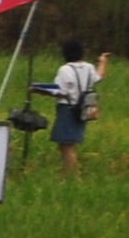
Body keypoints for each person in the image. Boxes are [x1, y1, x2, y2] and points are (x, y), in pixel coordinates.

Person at [45, 41, 107, 173]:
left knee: (67, 145)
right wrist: (102, 61)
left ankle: (72, 175)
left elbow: (60, 91)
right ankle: (67, 173)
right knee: (70, 143)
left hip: (67, 109)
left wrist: (39, 90)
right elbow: (99, 77)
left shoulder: (65, 69)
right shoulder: (89, 67)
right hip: (83, 109)